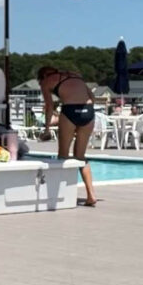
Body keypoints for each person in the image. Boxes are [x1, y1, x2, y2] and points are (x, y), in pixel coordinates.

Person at [37, 67, 98, 206]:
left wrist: (47, 128)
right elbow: (92, 98)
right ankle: (91, 195)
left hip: (70, 111)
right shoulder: (76, 76)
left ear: (44, 76)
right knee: (81, 157)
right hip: (88, 112)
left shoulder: (46, 82)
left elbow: (49, 106)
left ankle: (61, 195)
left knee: (63, 156)